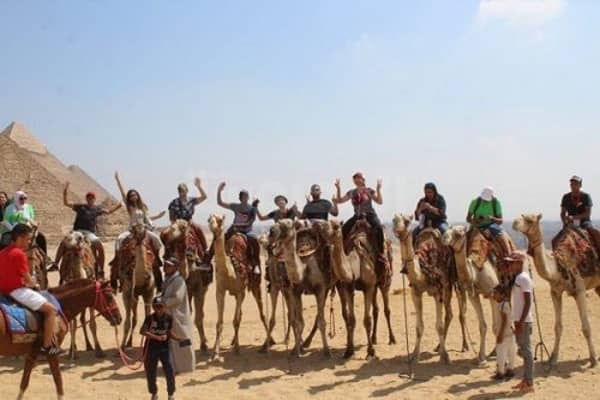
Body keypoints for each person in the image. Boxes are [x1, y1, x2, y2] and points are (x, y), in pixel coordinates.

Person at [0, 223, 61, 355]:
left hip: (3, 291)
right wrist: (34, 284)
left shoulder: (2, 252)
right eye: (28, 239)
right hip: (16, 291)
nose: (29, 242)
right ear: (20, 238)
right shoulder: (19, 254)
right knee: (51, 310)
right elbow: (27, 279)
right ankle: (47, 346)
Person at [55, 182, 122, 276]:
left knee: (100, 247)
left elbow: (109, 212)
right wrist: (65, 191)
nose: (90, 199)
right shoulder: (80, 207)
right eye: (89, 198)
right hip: (77, 232)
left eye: (92, 198)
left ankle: (101, 270)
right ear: (86, 199)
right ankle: (55, 264)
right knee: (63, 242)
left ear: (94, 199)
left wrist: (118, 206)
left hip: (89, 233)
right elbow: (66, 203)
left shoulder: (97, 209)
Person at [113, 172, 165, 288]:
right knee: (119, 240)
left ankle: (157, 260)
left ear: (138, 196)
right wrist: (118, 181)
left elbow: (147, 218)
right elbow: (122, 193)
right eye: (131, 195)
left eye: (135, 195)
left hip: (143, 229)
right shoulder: (129, 206)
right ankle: (117, 263)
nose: (133, 197)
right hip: (132, 230)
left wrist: (158, 216)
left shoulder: (143, 207)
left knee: (157, 240)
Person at [208, 182, 261, 274]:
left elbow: (250, 222)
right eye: (242, 196)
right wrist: (219, 191)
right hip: (234, 229)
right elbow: (220, 203)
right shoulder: (235, 206)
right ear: (240, 198)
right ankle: (208, 259)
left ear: (248, 197)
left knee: (254, 240)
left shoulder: (252, 208)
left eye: (246, 196)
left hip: (246, 230)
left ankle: (255, 263)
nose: (244, 198)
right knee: (218, 238)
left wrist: (239, 225)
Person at [334, 172, 385, 264]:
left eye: (358, 178)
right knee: (342, 230)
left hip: (369, 215)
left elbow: (379, 201)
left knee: (379, 228)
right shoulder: (352, 192)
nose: (356, 180)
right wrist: (338, 188)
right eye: (355, 179)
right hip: (357, 216)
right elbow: (339, 200)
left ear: (363, 180)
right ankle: (341, 253)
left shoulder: (369, 191)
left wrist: (378, 189)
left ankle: (381, 253)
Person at [140, 296, 184, 400]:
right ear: (153, 307)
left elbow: (168, 332)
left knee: (169, 370)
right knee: (151, 372)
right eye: (156, 307)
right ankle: (154, 393)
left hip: (164, 348)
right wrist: (157, 337)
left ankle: (170, 394)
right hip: (151, 349)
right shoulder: (150, 318)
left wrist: (178, 339)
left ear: (164, 307)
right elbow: (142, 331)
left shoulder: (169, 318)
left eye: (160, 307)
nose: (158, 309)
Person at [505, 251, 535, 393]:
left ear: (519, 263)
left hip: (523, 321)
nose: (509, 265)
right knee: (523, 350)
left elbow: (528, 302)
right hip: (518, 320)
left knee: (526, 352)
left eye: (512, 263)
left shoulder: (523, 278)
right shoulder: (518, 278)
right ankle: (525, 380)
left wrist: (521, 322)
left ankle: (529, 382)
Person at [161, 257, 195, 373]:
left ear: (175, 268)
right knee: (171, 343)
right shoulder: (167, 280)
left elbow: (177, 298)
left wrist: (163, 303)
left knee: (182, 340)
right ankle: (173, 366)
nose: (166, 268)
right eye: (165, 265)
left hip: (178, 316)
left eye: (169, 266)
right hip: (169, 314)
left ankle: (185, 367)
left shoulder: (179, 281)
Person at [560, 175, 600, 252]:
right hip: (570, 223)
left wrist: (573, 217)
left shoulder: (586, 196)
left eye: (576, 184)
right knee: (555, 240)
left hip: (584, 222)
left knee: (596, 234)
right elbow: (562, 213)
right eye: (572, 184)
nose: (573, 186)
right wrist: (564, 222)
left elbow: (587, 213)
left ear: (580, 185)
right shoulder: (566, 197)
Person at [466, 186, 511, 255]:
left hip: (491, 225)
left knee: (500, 235)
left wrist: (492, 218)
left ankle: (508, 253)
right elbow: (468, 218)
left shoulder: (495, 203)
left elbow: (500, 221)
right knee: (462, 239)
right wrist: (476, 221)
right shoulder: (475, 202)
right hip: (477, 226)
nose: (484, 201)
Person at [2, 191, 48, 255]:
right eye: (21, 198)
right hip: (12, 230)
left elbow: (31, 219)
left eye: (25, 198)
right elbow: (6, 221)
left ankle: (44, 257)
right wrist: (13, 229)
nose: (23, 200)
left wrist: (33, 224)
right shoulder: (9, 208)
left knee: (41, 238)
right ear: (16, 198)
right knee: (5, 242)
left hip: (27, 229)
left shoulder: (29, 207)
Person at [492, 284, 516, 381]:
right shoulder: (507, 303)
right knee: (511, 352)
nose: (494, 295)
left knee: (501, 353)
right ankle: (510, 369)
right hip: (510, 333)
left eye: (496, 293)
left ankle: (500, 372)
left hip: (504, 333)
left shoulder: (502, 306)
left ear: (502, 295)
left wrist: (500, 334)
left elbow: (504, 320)